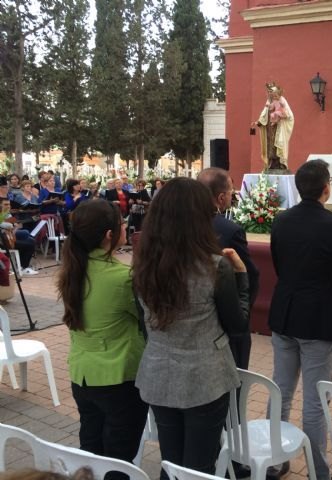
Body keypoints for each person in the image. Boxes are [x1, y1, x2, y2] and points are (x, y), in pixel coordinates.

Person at [133, 178, 250, 480]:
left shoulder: (143, 265)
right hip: (205, 377)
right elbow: (237, 325)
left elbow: (145, 321)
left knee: (171, 460)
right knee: (199, 467)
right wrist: (242, 277)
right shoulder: (214, 266)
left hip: (159, 371)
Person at [268, 159, 332, 480]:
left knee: (281, 390)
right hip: (319, 318)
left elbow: (279, 265)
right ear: (326, 188)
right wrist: (329, 302)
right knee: (315, 401)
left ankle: (274, 462)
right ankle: (319, 472)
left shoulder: (281, 221)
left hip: (286, 312)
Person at [56, 199, 148, 475]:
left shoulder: (72, 270)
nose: (125, 226)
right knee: (118, 461)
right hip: (118, 379)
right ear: (110, 235)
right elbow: (146, 319)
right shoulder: (123, 278)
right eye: (121, 222)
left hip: (82, 376)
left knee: (91, 451)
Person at [197, 167, 260, 479]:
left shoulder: (176, 226)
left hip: (196, 329)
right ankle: (233, 460)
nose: (234, 194)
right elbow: (246, 272)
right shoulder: (229, 228)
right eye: (233, 190)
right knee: (233, 393)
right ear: (221, 197)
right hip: (229, 318)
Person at [254, 82, 294, 170]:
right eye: (268, 92)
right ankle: (271, 164)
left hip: (278, 128)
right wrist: (259, 121)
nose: (269, 94)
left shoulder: (281, 100)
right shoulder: (269, 102)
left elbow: (289, 114)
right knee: (270, 148)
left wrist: (281, 115)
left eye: (271, 92)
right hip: (270, 130)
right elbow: (264, 114)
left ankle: (280, 164)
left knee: (278, 147)